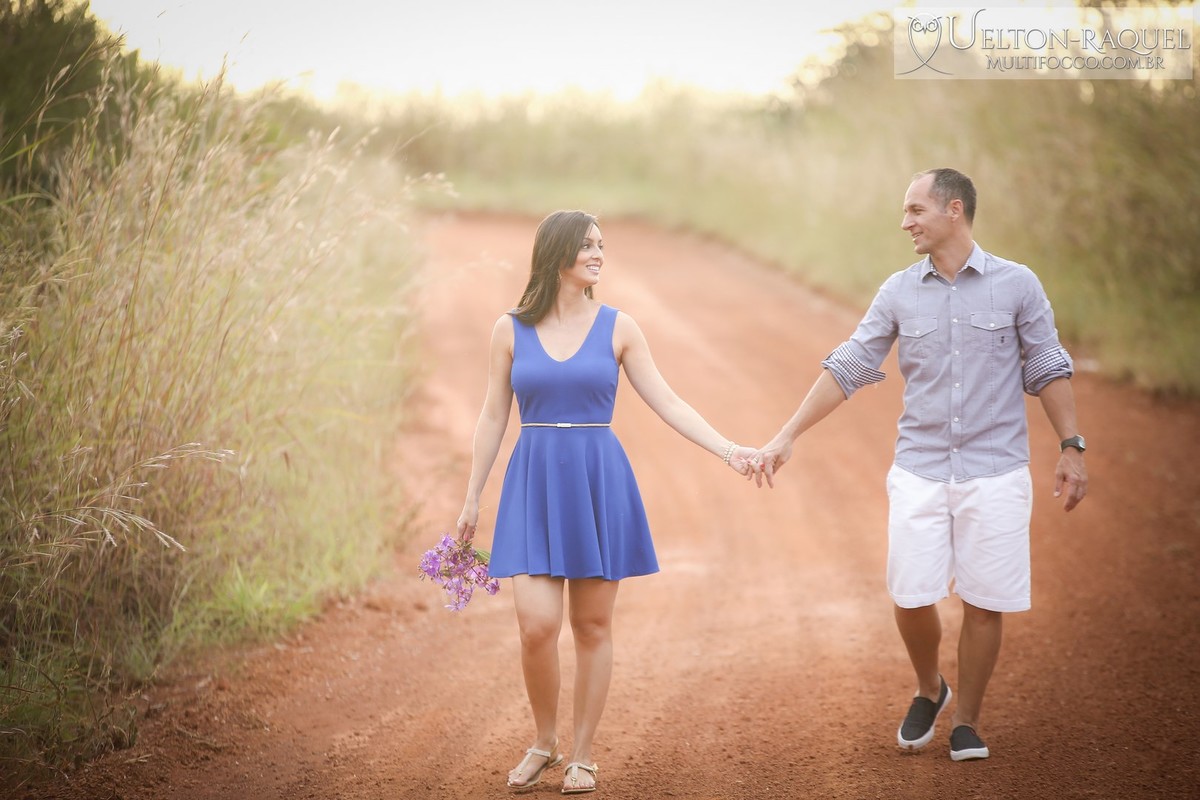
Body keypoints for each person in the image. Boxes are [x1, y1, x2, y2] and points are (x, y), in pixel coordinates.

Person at [749, 168, 1088, 761]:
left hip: (996, 469)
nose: (905, 222)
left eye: (915, 210)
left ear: (954, 210)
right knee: (909, 594)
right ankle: (930, 687)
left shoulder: (1017, 284)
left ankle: (967, 721)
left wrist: (1071, 446)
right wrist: (786, 435)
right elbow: (850, 364)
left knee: (984, 602)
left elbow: (1046, 364)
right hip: (919, 468)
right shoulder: (898, 291)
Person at [456, 210, 754, 793]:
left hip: (597, 480)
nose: (597, 254)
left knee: (591, 626)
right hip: (534, 481)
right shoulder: (509, 330)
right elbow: (493, 416)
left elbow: (668, 401)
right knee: (536, 627)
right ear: (556, 254)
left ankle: (582, 754)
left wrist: (729, 450)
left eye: (601, 245)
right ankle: (544, 740)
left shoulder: (620, 327)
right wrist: (472, 498)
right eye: (586, 245)